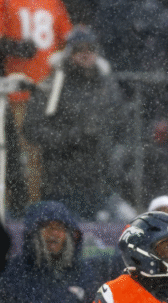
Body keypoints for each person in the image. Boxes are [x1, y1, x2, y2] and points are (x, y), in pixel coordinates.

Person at [22, 25, 125, 220]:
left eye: (91, 48)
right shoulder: (53, 84)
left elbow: (122, 124)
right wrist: (70, 137)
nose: (85, 54)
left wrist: (114, 151)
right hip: (62, 180)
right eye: (79, 49)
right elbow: (31, 129)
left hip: (101, 180)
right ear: (69, 53)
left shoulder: (108, 85)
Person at [1, 0, 73, 208]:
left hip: (49, 92)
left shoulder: (53, 3)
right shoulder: (7, 3)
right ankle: (18, 205)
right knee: (19, 154)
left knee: (40, 155)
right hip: (17, 90)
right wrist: (13, 46)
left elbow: (67, 41)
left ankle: (37, 205)